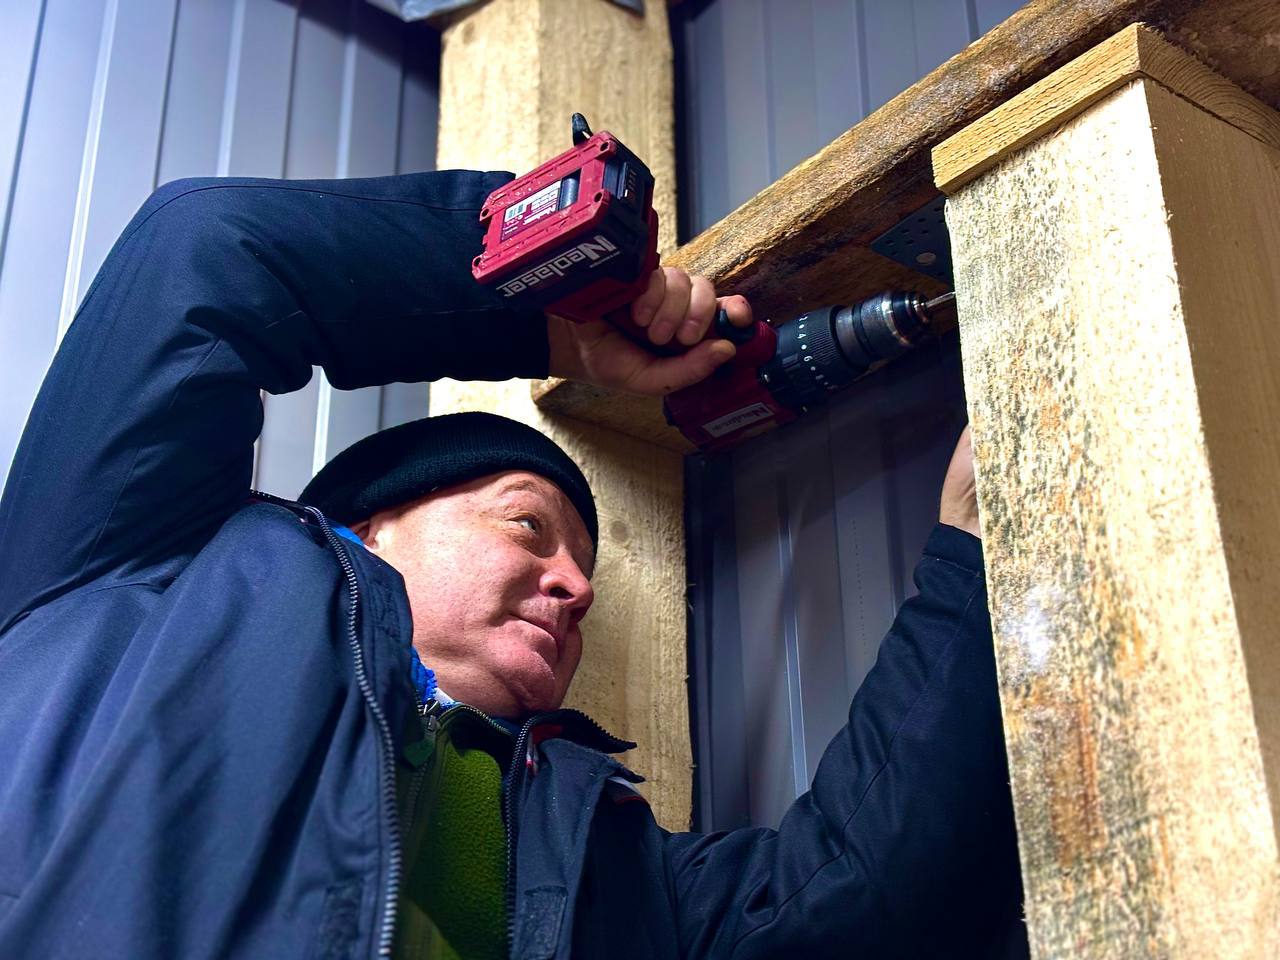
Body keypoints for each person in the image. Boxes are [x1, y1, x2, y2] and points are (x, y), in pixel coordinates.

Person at [0, 170, 1024, 959]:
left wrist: (972, 558)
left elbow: (855, 903)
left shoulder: (596, 854)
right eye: (528, 527)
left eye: (582, 575)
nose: (577, 590)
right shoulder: (141, 572)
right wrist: (555, 317)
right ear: (371, 529)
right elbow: (205, 250)